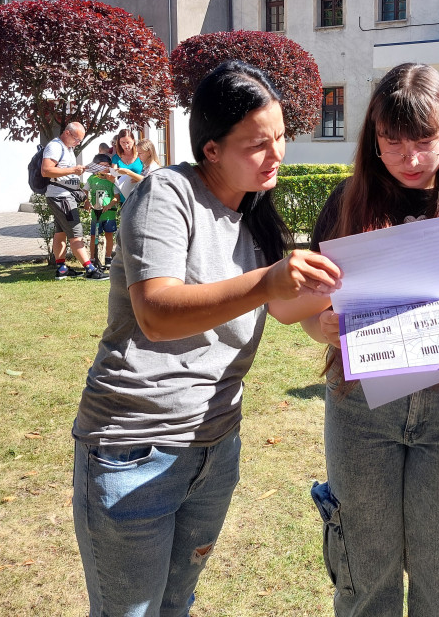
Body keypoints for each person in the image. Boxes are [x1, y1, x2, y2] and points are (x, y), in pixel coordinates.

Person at [70, 60, 341, 617]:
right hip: (135, 448)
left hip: (213, 449)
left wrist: (349, 304)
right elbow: (157, 313)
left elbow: (285, 307)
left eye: (281, 138)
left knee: (176, 605)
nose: (276, 155)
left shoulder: (254, 214)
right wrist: (270, 279)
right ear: (211, 148)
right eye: (256, 143)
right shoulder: (165, 194)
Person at [278, 62, 439, 617]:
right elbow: (309, 302)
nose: (410, 159)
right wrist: (315, 323)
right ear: (372, 138)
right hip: (362, 407)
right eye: (392, 142)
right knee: (367, 578)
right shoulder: (348, 200)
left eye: (424, 140)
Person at [41, 122, 108, 281]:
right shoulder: (55, 147)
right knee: (76, 233)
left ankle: (61, 268)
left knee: (61, 232)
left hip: (63, 195)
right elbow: (46, 170)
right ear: (67, 133)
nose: (78, 143)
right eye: (77, 139)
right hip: (61, 196)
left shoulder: (67, 148)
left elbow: (65, 173)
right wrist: (73, 170)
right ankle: (90, 270)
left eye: (80, 140)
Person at [84, 153, 119, 269]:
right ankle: (93, 259)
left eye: (106, 166)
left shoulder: (111, 180)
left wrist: (109, 205)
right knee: (94, 236)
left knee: (109, 235)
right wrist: (87, 202)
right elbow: (84, 191)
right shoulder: (92, 179)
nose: (104, 168)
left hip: (109, 214)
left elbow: (116, 197)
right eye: (101, 166)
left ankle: (108, 258)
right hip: (96, 214)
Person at [110, 128, 144, 201]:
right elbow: (114, 176)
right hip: (124, 198)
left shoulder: (141, 156)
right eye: (123, 142)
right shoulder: (116, 158)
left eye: (128, 142)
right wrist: (111, 177)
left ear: (133, 141)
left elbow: (148, 176)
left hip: (139, 196)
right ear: (119, 142)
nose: (126, 145)